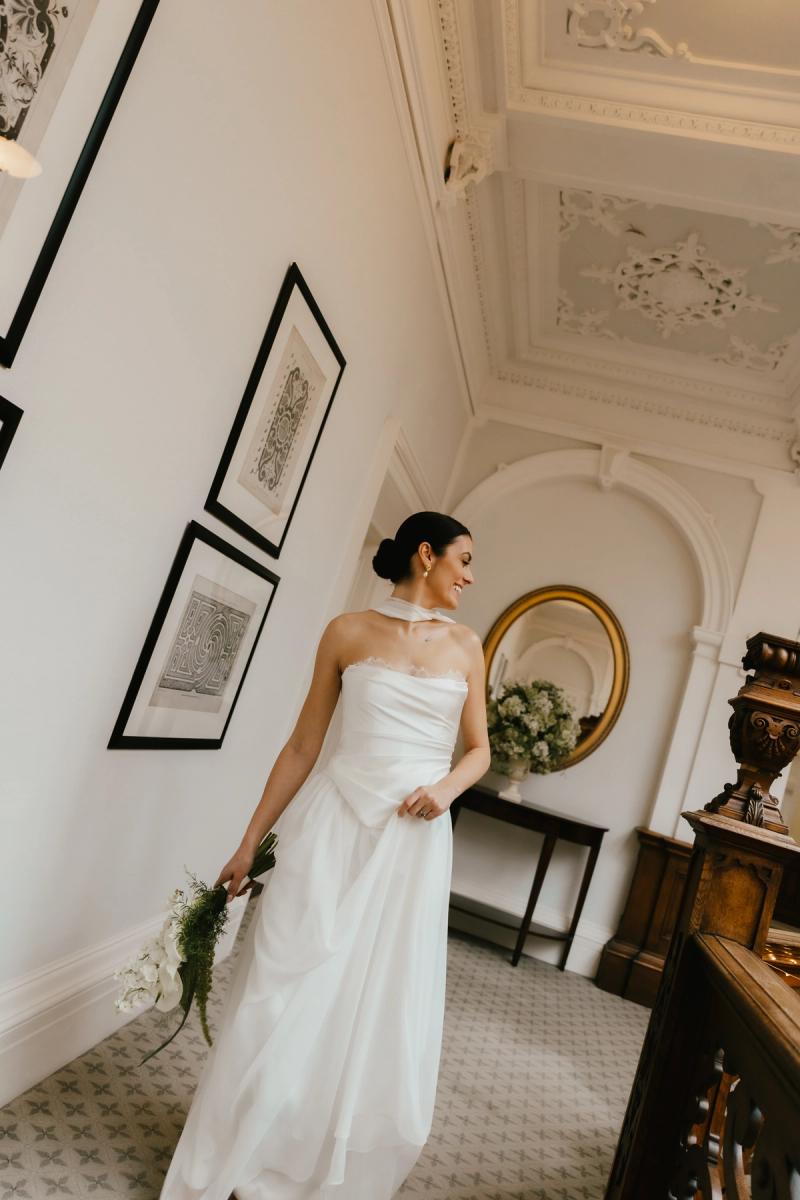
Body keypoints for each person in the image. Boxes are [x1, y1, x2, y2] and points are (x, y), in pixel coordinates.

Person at [159, 511, 491, 1200]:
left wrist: (447, 787)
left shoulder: (467, 646)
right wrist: (249, 841)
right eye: (463, 558)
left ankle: (305, 1169)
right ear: (425, 555)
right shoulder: (345, 632)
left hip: (408, 846)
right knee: (279, 990)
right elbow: (304, 747)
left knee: (365, 1006)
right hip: (332, 828)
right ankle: (231, 1157)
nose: (470, 574)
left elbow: (479, 750)